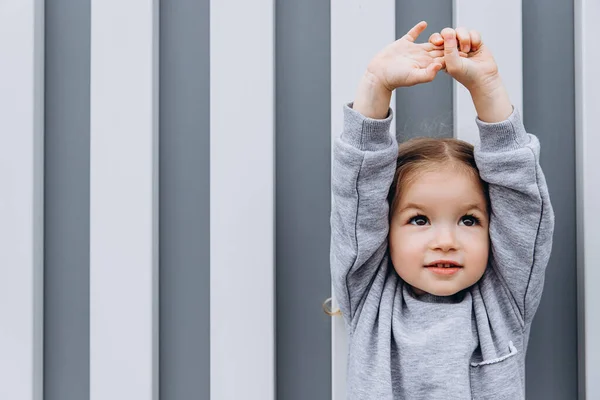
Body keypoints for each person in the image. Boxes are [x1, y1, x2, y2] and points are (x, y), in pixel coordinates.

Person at [330, 21, 554, 399]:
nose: (446, 241)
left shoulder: (503, 299)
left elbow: (521, 201)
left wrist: (487, 87)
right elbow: (357, 194)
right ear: (384, 230)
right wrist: (375, 85)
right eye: (419, 219)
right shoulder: (367, 292)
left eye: (469, 220)